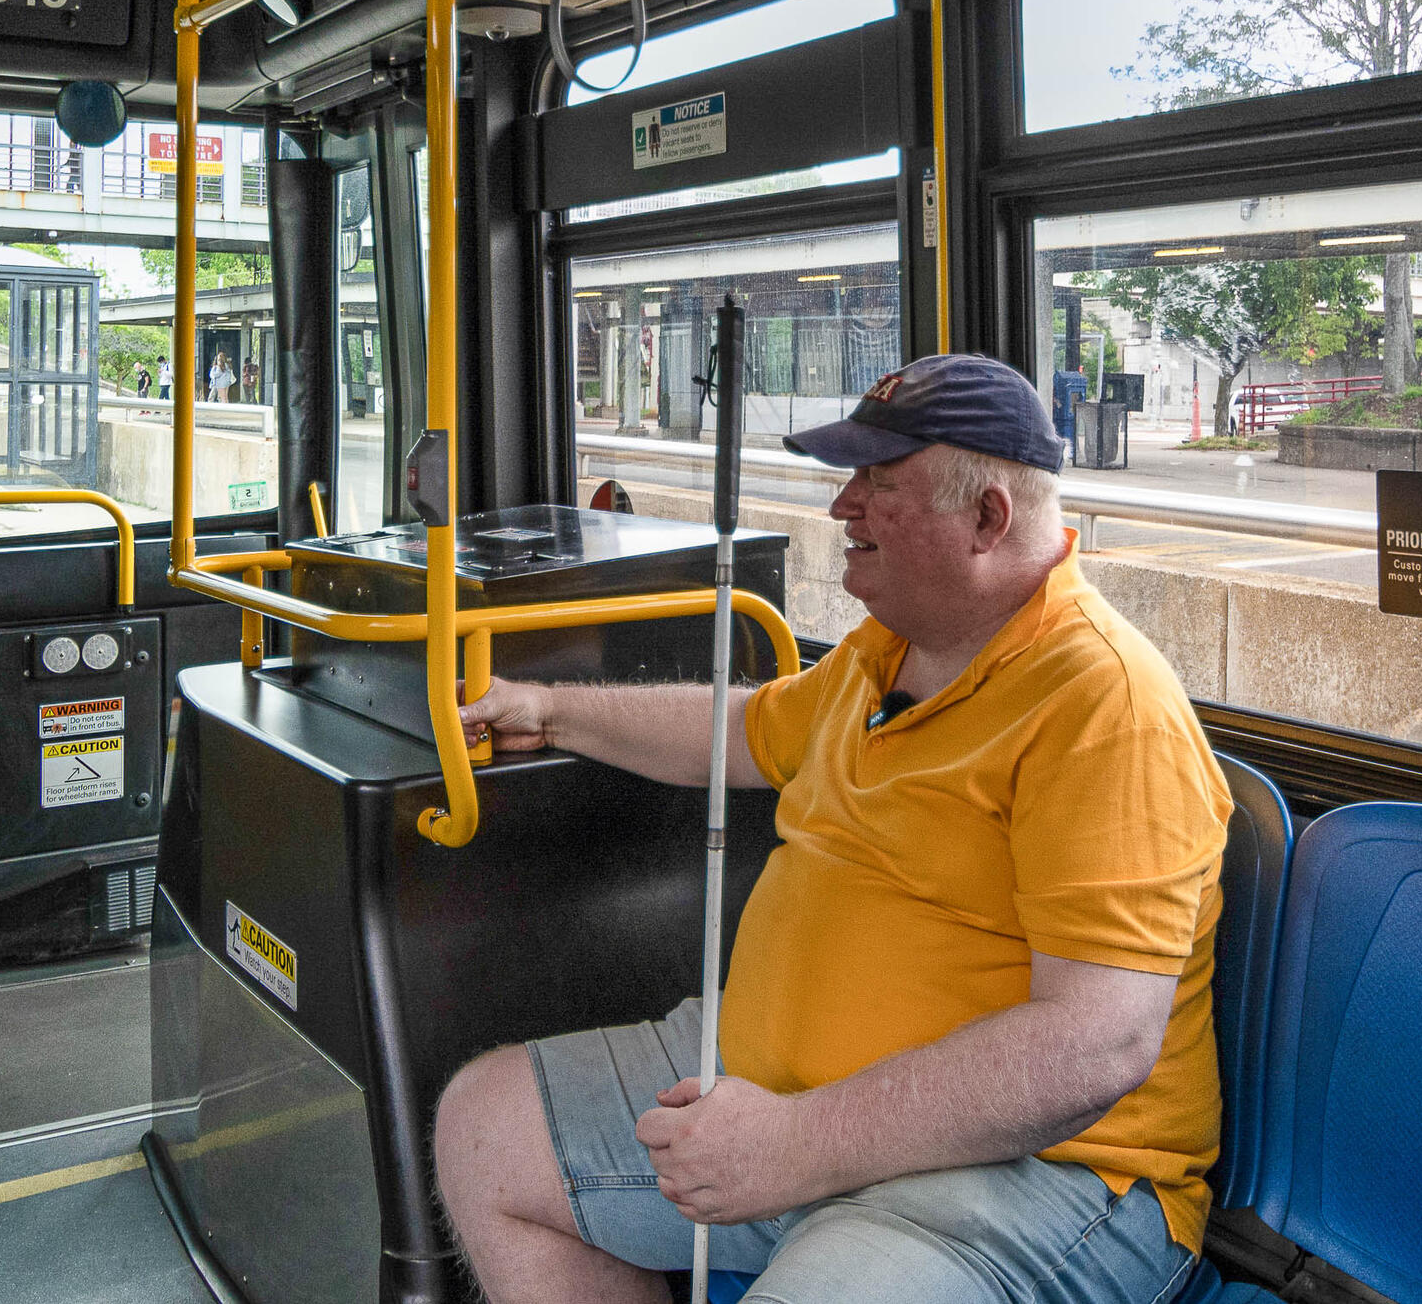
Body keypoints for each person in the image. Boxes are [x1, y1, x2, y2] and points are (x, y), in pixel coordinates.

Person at [435, 353, 1231, 1304]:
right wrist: (548, 709)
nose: (842, 506)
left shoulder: (1102, 705)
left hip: (1037, 1174)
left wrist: (795, 1145)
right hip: (775, 1099)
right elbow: (745, 729)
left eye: (879, 482)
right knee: (483, 1133)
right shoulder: (887, 650)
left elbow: (1096, 1044)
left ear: (987, 518)